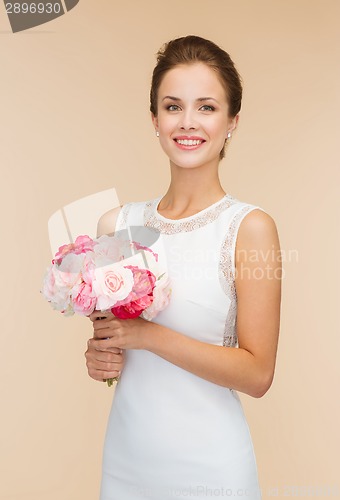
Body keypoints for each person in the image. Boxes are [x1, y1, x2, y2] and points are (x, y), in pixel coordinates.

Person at [85, 35, 282, 500]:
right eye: (173, 106)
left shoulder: (249, 229)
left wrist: (147, 336)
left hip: (211, 469)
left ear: (233, 120)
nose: (187, 122)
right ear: (154, 119)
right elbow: (111, 345)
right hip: (126, 465)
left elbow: (259, 375)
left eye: (206, 107)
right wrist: (100, 356)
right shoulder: (117, 225)